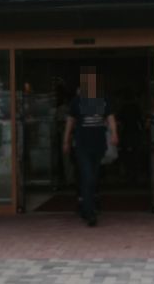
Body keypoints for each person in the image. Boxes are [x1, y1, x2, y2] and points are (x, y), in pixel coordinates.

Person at [62, 66, 118, 227]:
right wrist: (66, 141)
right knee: (88, 177)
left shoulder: (103, 99)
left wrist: (114, 133)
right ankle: (90, 213)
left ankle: (86, 206)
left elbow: (110, 117)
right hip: (82, 145)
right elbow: (70, 121)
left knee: (93, 177)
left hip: (99, 144)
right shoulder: (78, 101)